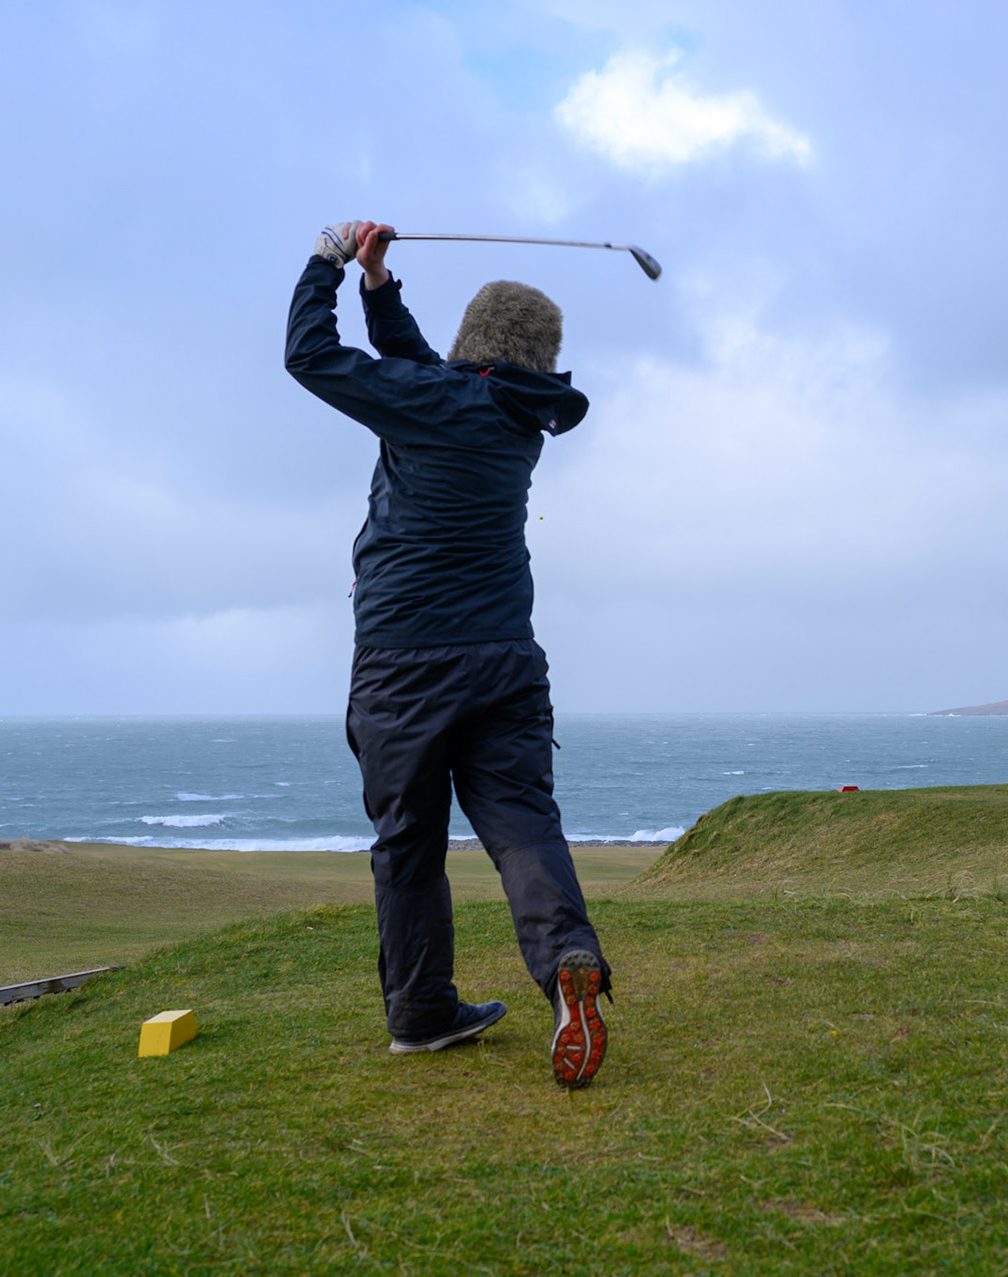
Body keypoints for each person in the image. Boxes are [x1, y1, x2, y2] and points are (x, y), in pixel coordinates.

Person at [285, 220, 610, 1087]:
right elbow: (424, 374)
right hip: (505, 658)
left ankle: (423, 1012)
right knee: (522, 820)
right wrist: (379, 286)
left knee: (409, 839)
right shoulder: (517, 418)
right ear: (539, 360)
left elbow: (309, 357)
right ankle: (567, 957)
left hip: (403, 664)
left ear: (473, 342)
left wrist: (325, 260)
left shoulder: (433, 402)